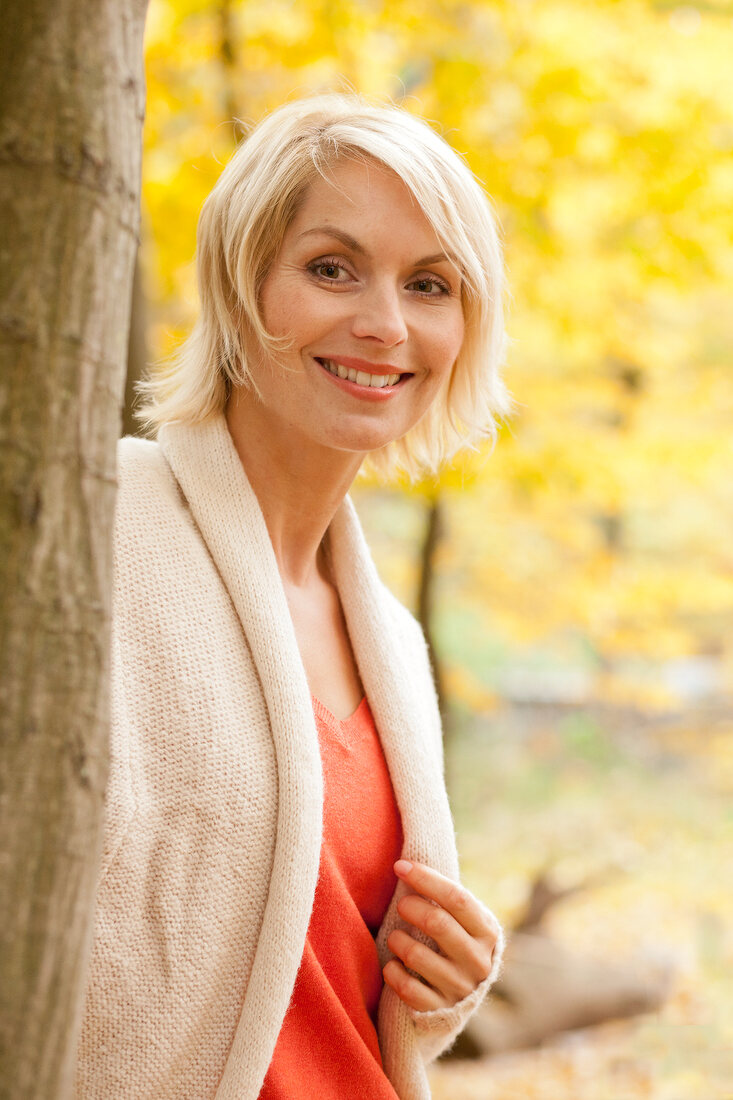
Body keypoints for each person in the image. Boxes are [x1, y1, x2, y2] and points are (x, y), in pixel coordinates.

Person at [75, 92, 512, 1100]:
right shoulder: (95, 529)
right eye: (331, 267)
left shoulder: (390, 641)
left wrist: (432, 985)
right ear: (240, 282)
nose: (384, 323)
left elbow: (297, 949)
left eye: (431, 284)